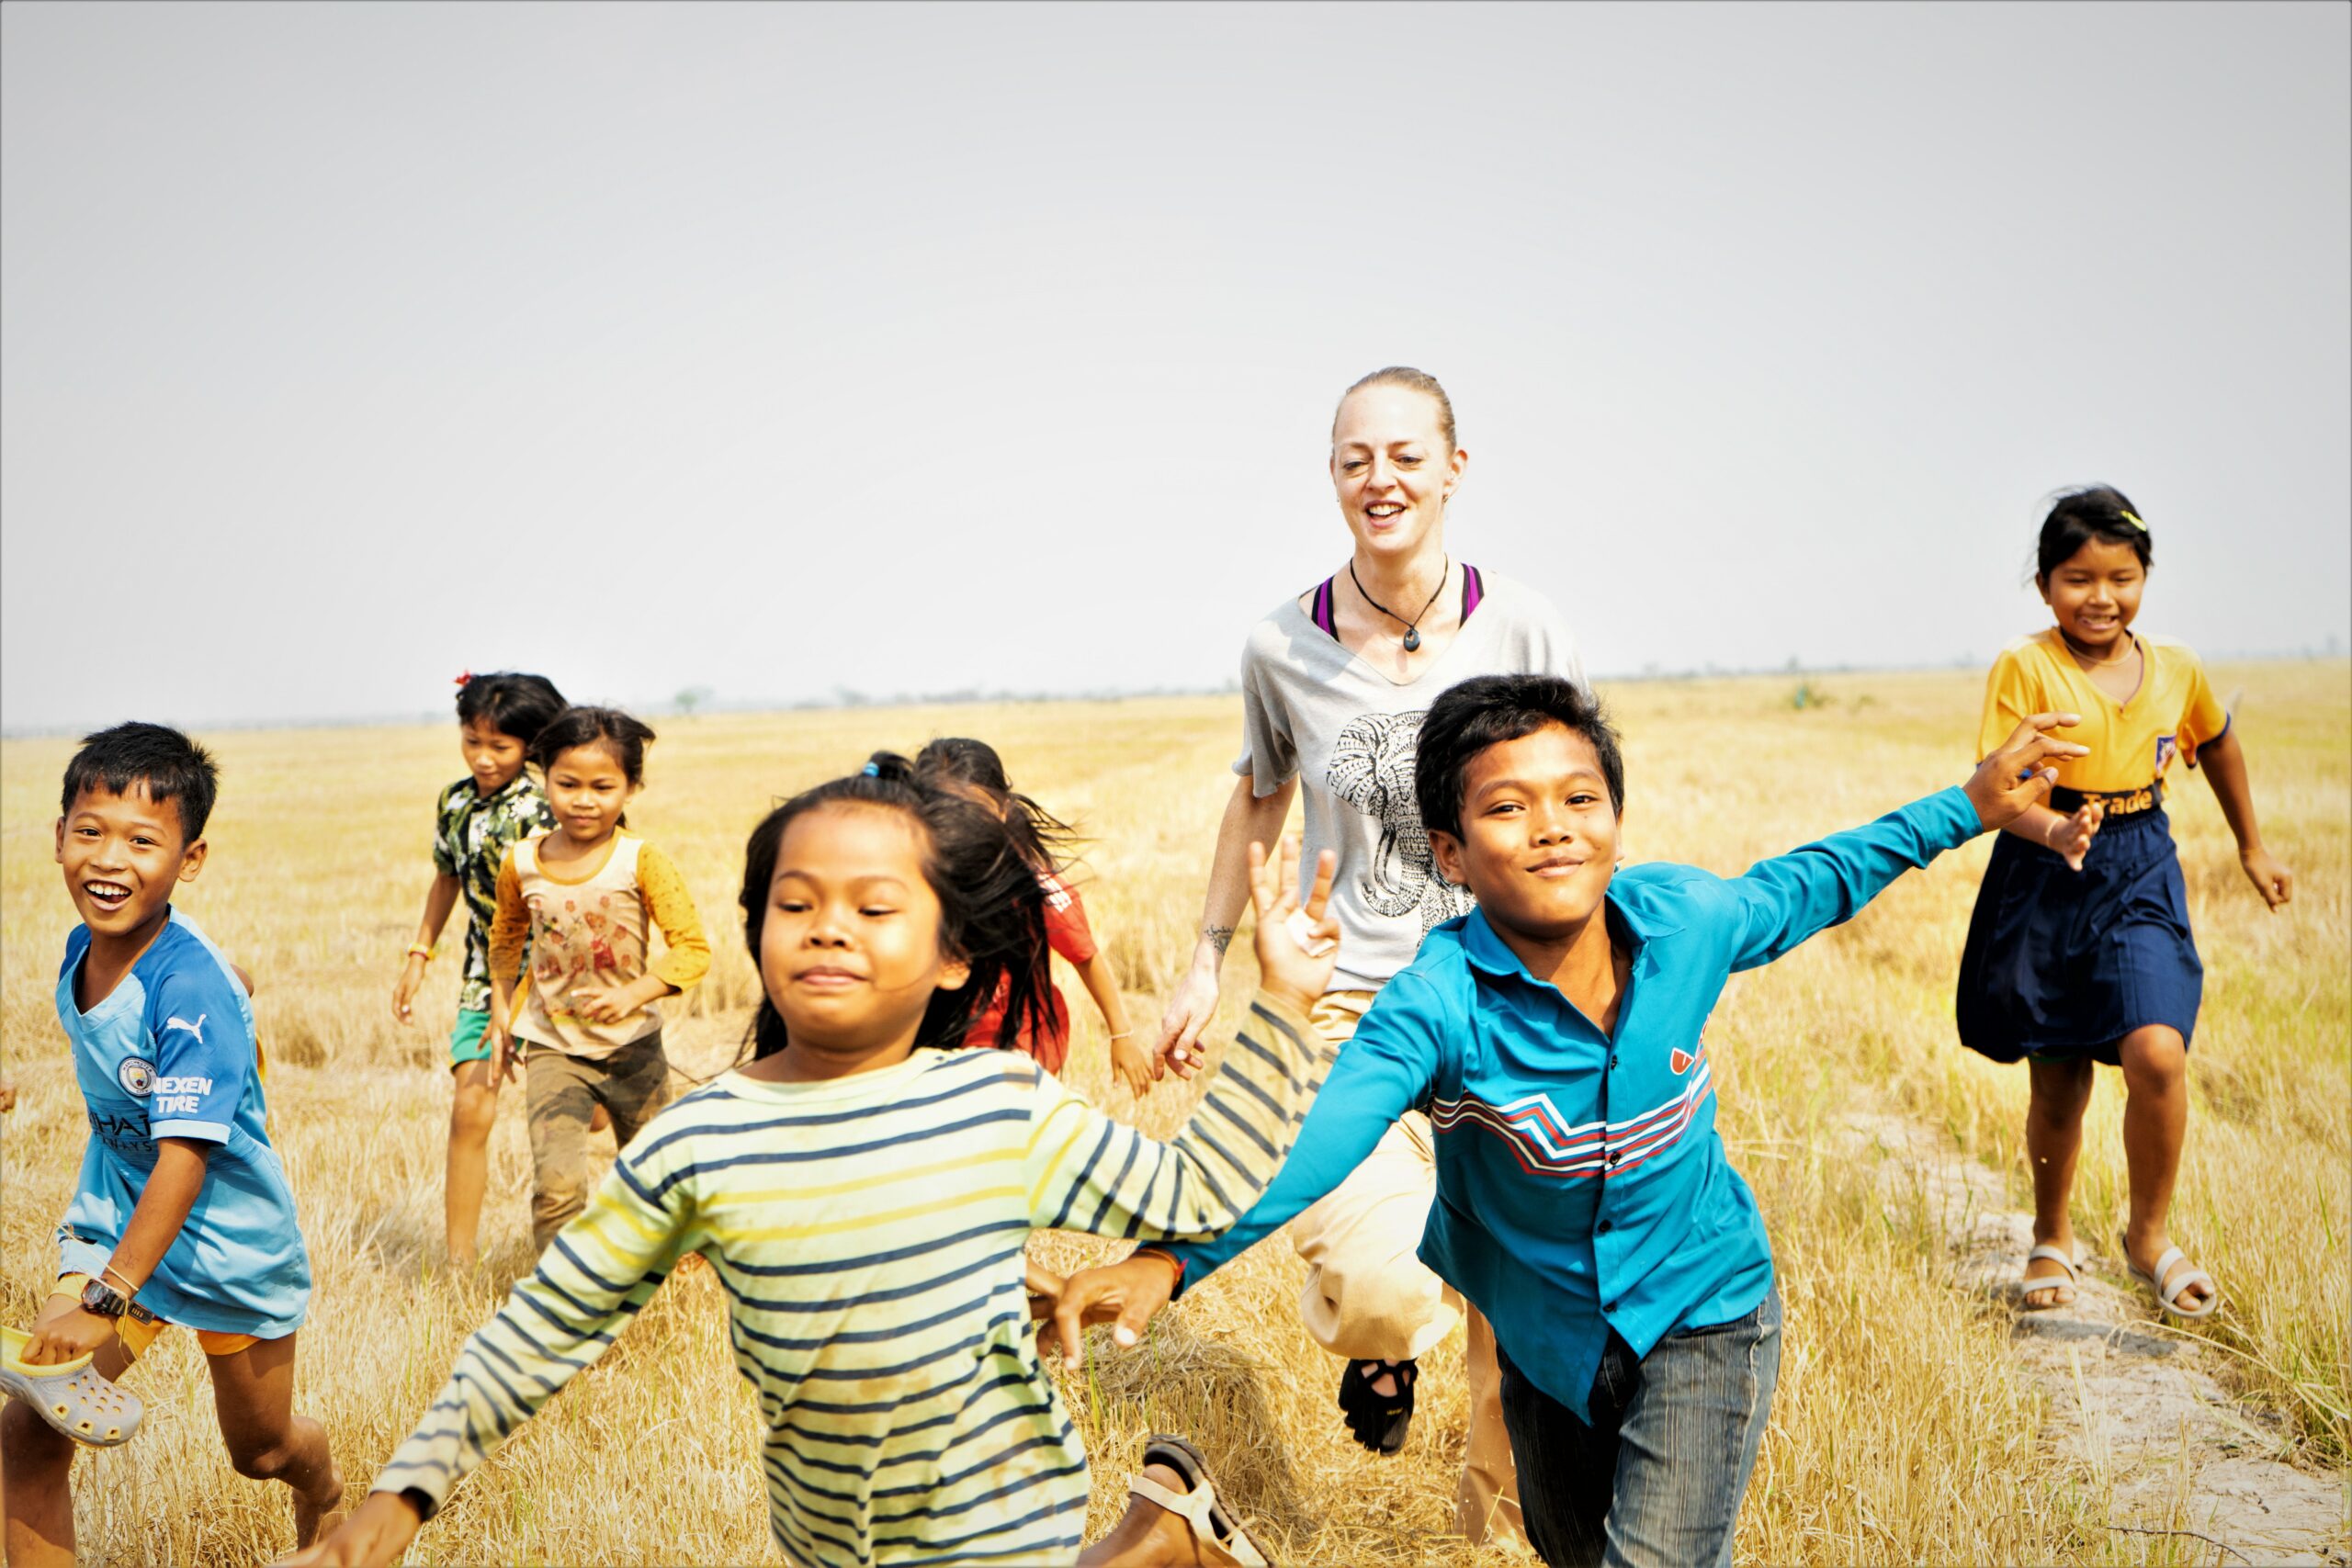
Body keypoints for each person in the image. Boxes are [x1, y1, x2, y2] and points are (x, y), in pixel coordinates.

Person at [1058, 674, 2092, 1568]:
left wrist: (1966, 805)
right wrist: (1171, 1259)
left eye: (1578, 797)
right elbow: (1318, 1142)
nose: (1552, 825)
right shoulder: (1437, 1001)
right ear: (1451, 855)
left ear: (1614, 820)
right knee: (1571, 1550)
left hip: (1705, 1308)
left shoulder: (1686, 922)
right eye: (1507, 808)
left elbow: (1815, 880)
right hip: (1545, 1339)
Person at [281, 755, 1331, 1568]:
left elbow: (1192, 1190)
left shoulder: (993, 1103)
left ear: (953, 952)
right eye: (797, 904)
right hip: (828, 1538)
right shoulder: (703, 1141)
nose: (831, 928)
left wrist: (1279, 1003)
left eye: (876, 908)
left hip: (1006, 1509)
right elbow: (548, 1323)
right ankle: (1163, 1533)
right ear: (755, 933)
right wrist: (398, 1497)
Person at [1152, 366, 1584, 1546]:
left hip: (1516, 1001)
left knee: (1518, 1323)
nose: (1379, 479)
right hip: (1356, 1008)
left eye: (1404, 454)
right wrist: (1206, 959)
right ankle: (1386, 1344)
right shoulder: (1280, 645)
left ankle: (1488, 1533)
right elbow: (1258, 798)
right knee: (1389, 1290)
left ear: (1454, 465)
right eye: (1355, 459)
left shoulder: (1523, 625)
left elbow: (1577, 801)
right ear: (1332, 476)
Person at [4, 724, 344, 1564]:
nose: (108, 859)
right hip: (121, 1215)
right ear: (57, 838)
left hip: (227, 1240)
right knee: (28, 1430)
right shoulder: (85, 944)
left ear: (189, 860)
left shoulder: (188, 985)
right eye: (90, 831)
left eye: (142, 841)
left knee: (260, 1452)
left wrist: (105, 1297)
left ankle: (327, 1485)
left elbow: (187, 1159)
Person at [1956, 488, 2292, 1317]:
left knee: (2157, 1053)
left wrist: (2252, 846)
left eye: (2121, 575)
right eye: (2077, 578)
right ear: (2043, 585)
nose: (2100, 596)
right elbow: (2000, 787)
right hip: (2045, 866)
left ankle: (2147, 1237)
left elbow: (2216, 742)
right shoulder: (2024, 665)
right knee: (2059, 1078)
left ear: (2145, 578)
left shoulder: (2178, 666)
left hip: (2140, 860)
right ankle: (2051, 1236)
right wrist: (2052, 828)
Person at [484, 705, 710, 1256]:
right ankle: (565, 1300)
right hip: (552, 1047)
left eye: (603, 786)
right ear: (544, 780)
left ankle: (674, 1272)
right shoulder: (522, 862)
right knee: (556, 1188)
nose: (584, 800)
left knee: (658, 1179)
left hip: (635, 1049)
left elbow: (693, 950)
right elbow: (505, 939)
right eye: (568, 784)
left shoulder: (641, 861)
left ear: (630, 787)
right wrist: (500, 1015)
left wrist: (634, 994)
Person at [390, 670, 568, 1271]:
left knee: (585, 1107)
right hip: (479, 971)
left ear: (532, 744)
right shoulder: (455, 800)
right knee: (470, 1104)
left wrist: (514, 1002)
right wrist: (420, 954)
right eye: (472, 741)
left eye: (501, 745)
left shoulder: (546, 809)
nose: (484, 757)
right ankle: (459, 1263)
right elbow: (447, 875)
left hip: (554, 974)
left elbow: (552, 915)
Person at [915, 736, 1153, 1097]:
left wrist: (1122, 1035)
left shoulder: (1031, 884)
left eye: (974, 812)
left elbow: (1085, 955)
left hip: (1020, 1042)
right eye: (942, 810)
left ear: (1001, 810)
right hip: (939, 1043)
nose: (962, 826)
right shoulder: (906, 881)